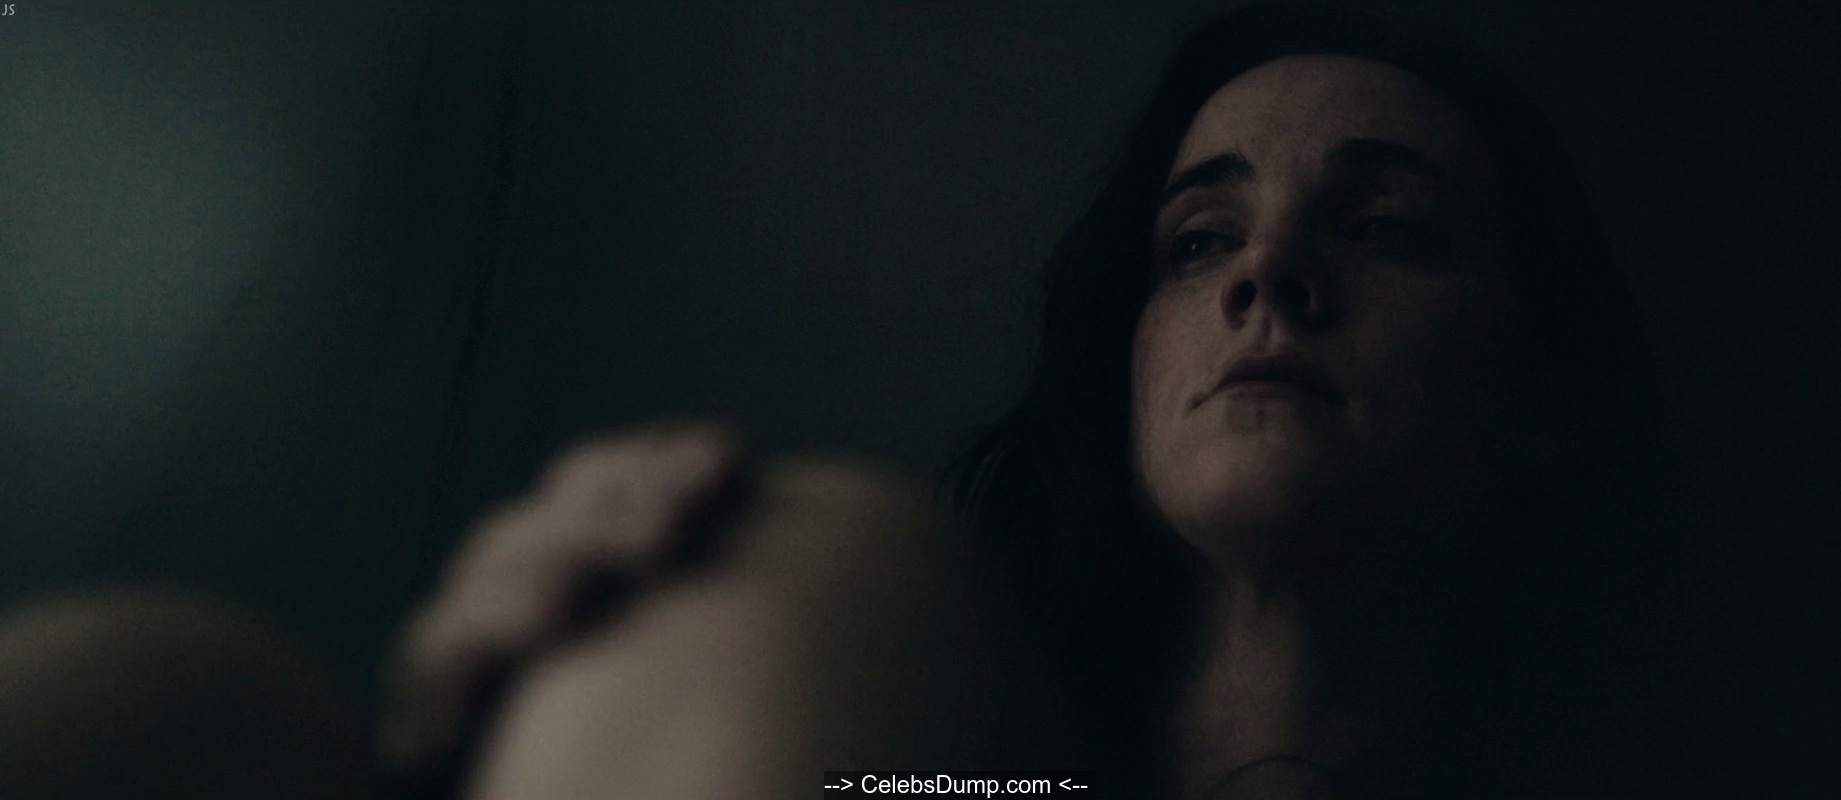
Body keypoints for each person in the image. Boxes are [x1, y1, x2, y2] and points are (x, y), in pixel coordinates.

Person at [0, 3, 1702, 798]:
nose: (1269, 275)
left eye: (1387, 225)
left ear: (1545, 389)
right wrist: (521, 718)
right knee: (167, 690)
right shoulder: (958, 751)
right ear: (1124, 351)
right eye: (1197, 242)